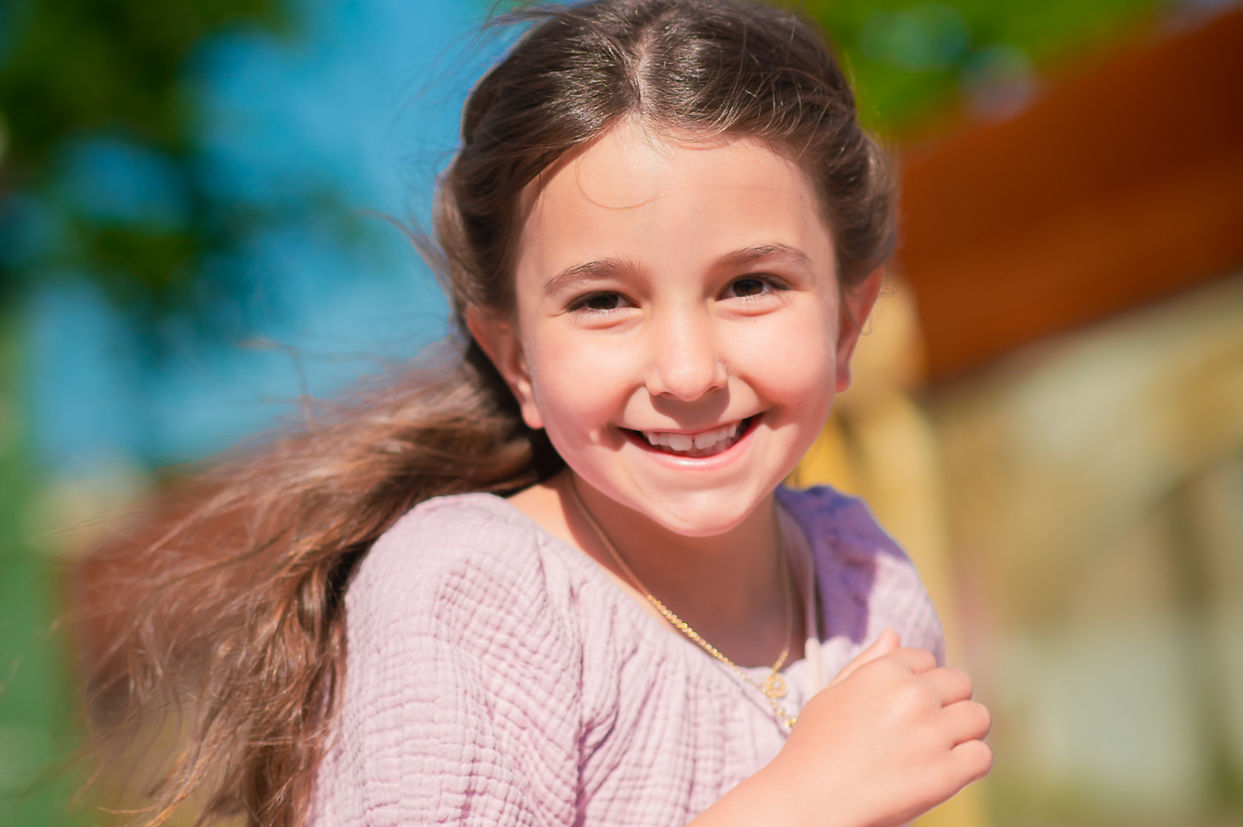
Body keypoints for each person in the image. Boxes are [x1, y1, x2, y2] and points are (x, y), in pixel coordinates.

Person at [87, 1, 991, 824]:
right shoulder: (470, 592)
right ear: (514, 356)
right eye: (603, 300)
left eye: (750, 284)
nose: (684, 372)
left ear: (848, 322)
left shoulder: (865, 583)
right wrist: (793, 806)